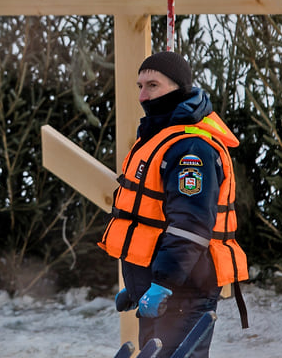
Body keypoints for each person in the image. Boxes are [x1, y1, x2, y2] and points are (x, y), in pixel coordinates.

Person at [98, 51, 249, 357]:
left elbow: (191, 225)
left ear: (178, 88)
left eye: (152, 85)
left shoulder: (191, 148)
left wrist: (162, 283)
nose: (143, 96)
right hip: (158, 290)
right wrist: (138, 283)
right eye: (140, 86)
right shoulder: (159, 139)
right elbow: (152, 217)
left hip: (184, 292)